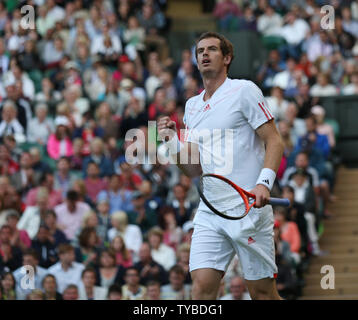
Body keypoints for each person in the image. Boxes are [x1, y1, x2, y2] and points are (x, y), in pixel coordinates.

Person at [157, 32, 284, 300]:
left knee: (262, 294)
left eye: (212, 49)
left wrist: (264, 183)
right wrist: (171, 141)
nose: (204, 54)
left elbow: (275, 141)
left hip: (248, 207)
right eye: (200, 50)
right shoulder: (192, 106)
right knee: (201, 290)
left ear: (226, 58)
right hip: (210, 209)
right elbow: (193, 169)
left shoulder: (245, 90)